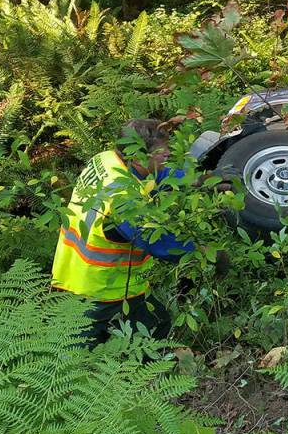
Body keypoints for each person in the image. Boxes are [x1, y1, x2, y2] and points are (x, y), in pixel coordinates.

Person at [52, 119, 201, 345]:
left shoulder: (106, 160)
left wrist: (199, 181)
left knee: (154, 324)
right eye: (161, 152)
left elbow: (156, 176)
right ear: (137, 156)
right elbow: (156, 241)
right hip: (100, 285)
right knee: (81, 348)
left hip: (73, 269)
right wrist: (202, 252)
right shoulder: (124, 198)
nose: (168, 154)